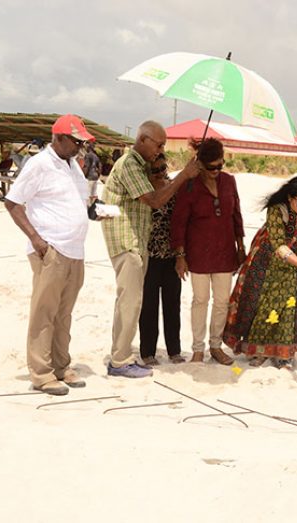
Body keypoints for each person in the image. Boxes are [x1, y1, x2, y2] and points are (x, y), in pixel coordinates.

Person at [4, 114, 97, 396]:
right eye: (76, 141)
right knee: (44, 312)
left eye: (82, 141)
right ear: (58, 138)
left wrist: (94, 212)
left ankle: (60, 365)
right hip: (52, 249)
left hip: (75, 250)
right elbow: (12, 203)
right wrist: (37, 240)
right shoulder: (39, 164)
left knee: (64, 313)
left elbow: (82, 202)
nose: (80, 146)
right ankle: (41, 373)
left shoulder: (72, 166)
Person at [101, 121, 200, 378]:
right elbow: (155, 201)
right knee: (132, 303)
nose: (160, 150)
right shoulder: (130, 164)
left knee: (130, 303)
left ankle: (120, 356)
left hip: (137, 244)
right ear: (143, 139)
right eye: (159, 144)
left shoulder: (140, 165)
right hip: (128, 243)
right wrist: (184, 175)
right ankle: (121, 361)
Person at [223, 176, 297, 368]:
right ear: (290, 198)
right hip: (268, 260)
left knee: (291, 307)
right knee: (263, 304)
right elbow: (278, 244)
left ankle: (284, 354)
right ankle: (258, 350)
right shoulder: (276, 209)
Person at [171, 137, 244, 366]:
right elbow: (179, 223)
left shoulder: (229, 182)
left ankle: (215, 346)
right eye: (211, 167)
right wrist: (180, 256)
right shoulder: (188, 186)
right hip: (197, 253)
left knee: (222, 301)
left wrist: (241, 246)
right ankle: (197, 349)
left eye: (220, 165)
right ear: (200, 164)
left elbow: (236, 216)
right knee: (200, 300)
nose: (216, 170)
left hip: (225, 251)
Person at [138, 154, 184, 366]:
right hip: (148, 257)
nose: (159, 173)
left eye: (162, 168)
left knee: (173, 304)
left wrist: (182, 255)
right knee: (148, 306)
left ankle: (174, 350)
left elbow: (182, 223)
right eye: (154, 170)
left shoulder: (174, 188)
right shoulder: (144, 192)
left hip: (171, 255)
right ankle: (147, 352)